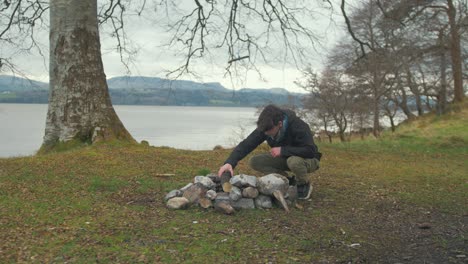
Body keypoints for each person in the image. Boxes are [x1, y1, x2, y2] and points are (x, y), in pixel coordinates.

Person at [217, 104, 322, 200]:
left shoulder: (299, 126)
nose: (267, 135)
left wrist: (283, 150)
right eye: (265, 133)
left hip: (309, 159)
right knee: (255, 161)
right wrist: (229, 162)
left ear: (280, 124)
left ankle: (303, 183)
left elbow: (310, 151)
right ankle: (287, 181)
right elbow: (247, 144)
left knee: (293, 161)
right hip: (287, 158)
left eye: (270, 133)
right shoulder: (266, 127)